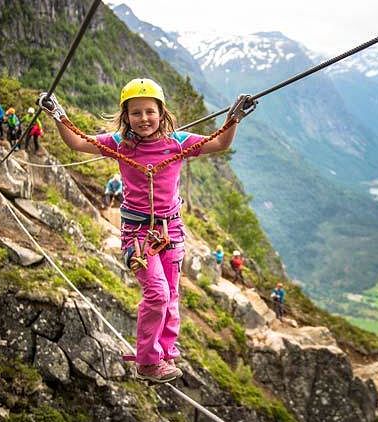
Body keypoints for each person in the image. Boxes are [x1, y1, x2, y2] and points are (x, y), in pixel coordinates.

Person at [37, 78, 255, 383]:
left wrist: (233, 119)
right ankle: (148, 361)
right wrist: (57, 116)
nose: (143, 119)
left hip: (172, 230)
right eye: (135, 113)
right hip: (137, 234)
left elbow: (220, 143)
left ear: (161, 112)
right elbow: (78, 142)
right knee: (157, 293)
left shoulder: (178, 142)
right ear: (126, 117)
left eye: (149, 111)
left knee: (172, 294)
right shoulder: (120, 145)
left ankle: (165, 350)